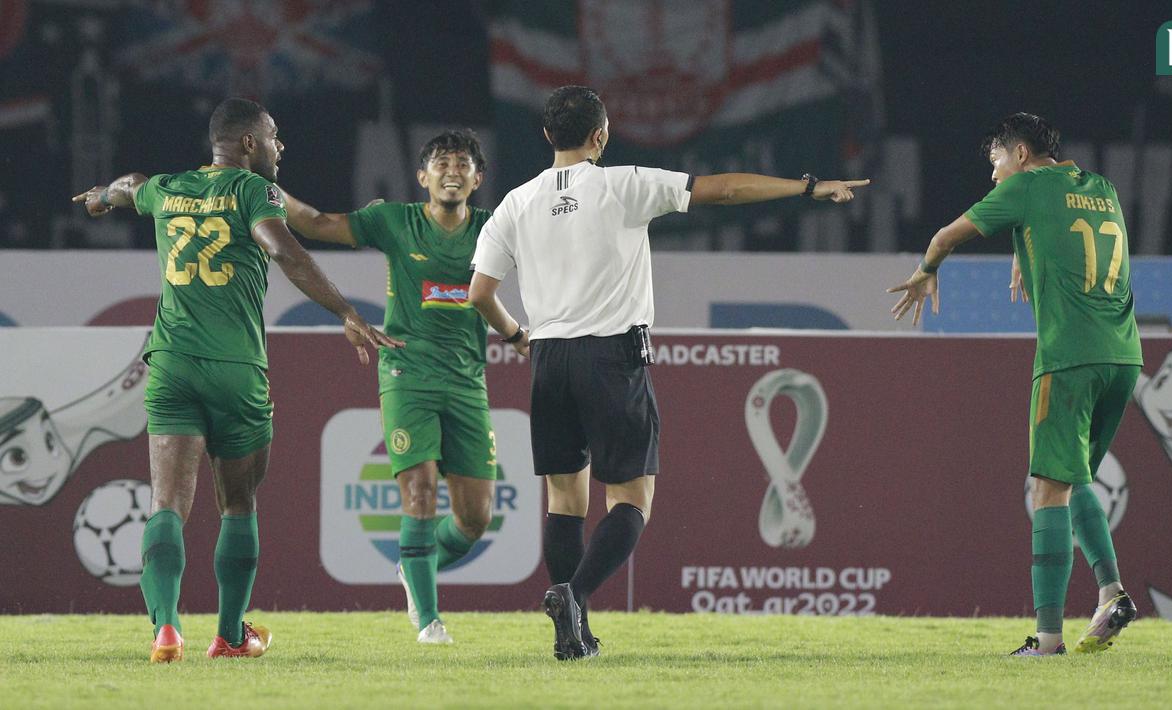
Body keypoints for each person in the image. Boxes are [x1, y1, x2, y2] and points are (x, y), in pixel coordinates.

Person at [467, 85, 869, 660]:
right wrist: (808, 186)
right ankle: (574, 596)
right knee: (632, 498)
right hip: (611, 356)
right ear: (600, 136)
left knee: (564, 498)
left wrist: (515, 336)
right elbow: (723, 188)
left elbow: (480, 292)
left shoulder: (515, 203)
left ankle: (570, 631)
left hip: (549, 357)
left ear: (547, 136)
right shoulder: (621, 184)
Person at [72, 97, 401, 663]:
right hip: (237, 371)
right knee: (239, 503)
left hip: (172, 365)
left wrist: (103, 196)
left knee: (167, 504)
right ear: (248, 144)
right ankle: (228, 635)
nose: (280, 147)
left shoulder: (169, 188)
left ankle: (166, 628)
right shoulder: (255, 191)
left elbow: (132, 185)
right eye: (274, 136)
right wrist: (346, 311)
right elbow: (285, 251)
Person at [887, 112, 1142, 656]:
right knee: (1073, 480)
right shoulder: (1101, 188)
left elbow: (945, 236)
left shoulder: (1025, 187)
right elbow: (1070, 236)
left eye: (997, 162)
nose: (995, 176)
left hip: (1068, 356)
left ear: (1021, 155)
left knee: (1048, 488)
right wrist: (1025, 252)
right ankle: (1112, 592)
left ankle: (1048, 640)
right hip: (1123, 355)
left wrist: (926, 269)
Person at [281, 130, 522, 644]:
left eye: (463, 163)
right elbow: (318, 223)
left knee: (475, 519)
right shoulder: (394, 219)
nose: (451, 170)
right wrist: (260, 189)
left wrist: (523, 332)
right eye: (441, 162)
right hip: (405, 372)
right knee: (419, 491)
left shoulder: (496, 228)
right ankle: (430, 621)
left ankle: (413, 564)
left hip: (466, 381)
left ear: (479, 179)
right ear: (422, 177)